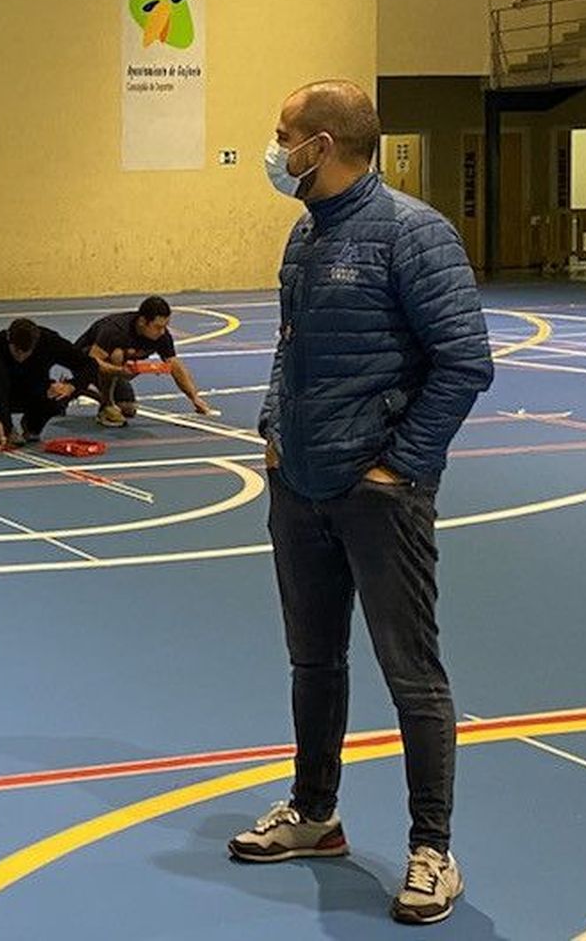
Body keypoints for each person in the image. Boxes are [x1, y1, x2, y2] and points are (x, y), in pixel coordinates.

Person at [227, 79, 492, 927]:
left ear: (324, 145)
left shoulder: (414, 234)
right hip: (299, 487)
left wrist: (398, 467)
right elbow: (291, 346)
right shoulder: (306, 233)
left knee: (412, 676)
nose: (276, 150)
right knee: (314, 662)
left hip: (378, 499)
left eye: (284, 136)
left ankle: (432, 849)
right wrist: (274, 431)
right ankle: (315, 813)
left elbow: (465, 362)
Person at [74, 296, 211, 427]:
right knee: (117, 354)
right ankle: (106, 405)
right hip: (82, 362)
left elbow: (174, 365)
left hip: (112, 370)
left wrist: (194, 397)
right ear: (142, 322)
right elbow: (91, 361)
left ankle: (82, 390)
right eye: (158, 327)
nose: (162, 332)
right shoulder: (115, 330)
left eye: (165, 326)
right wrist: (119, 371)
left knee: (127, 408)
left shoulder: (162, 336)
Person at [0, 318, 99, 447]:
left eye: (26, 352)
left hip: (35, 391)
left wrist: (71, 386)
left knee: (57, 395)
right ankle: (7, 427)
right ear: (9, 340)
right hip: (0, 395)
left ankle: (32, 425)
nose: (20, 357)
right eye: (16, 351)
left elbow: (90, 365)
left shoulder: (50, 342)